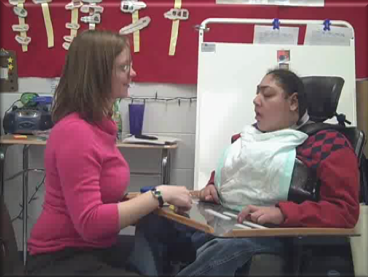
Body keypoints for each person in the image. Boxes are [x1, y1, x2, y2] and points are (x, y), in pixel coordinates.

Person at [128, 69, 360, 276]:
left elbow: (345, 211)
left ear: (293, 102)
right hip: (224, 225)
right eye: (257, 93)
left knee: (226, 249)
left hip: (275, 238)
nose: (256, 100)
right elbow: (230, 174)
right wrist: (212, 187)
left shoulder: (329, 144)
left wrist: (282, 213)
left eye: (267, 94)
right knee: (152, 218)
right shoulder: (247, 138)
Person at [26, 29, 192, 275]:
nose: (133, 74)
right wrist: (159, 194)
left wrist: (150, 204)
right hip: (60, 258)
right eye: (124, 67)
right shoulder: (76, 133)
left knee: (170, 252)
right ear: (99, 74)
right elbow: (91, 223)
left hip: (92, 248)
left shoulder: (98, 126)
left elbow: (100, 200)